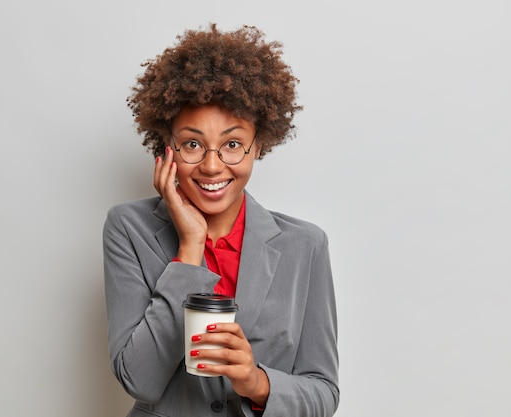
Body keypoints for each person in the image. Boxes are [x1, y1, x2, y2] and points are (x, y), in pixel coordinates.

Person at [103, 23, 339, 417]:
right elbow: (139, 380)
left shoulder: (305, 245)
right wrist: (190, 247)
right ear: (168, 148)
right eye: (193, 144)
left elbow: (324, 393)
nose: (212, 166)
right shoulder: (129, 228)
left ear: (257, 146)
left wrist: (256, 381)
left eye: (232, 144)